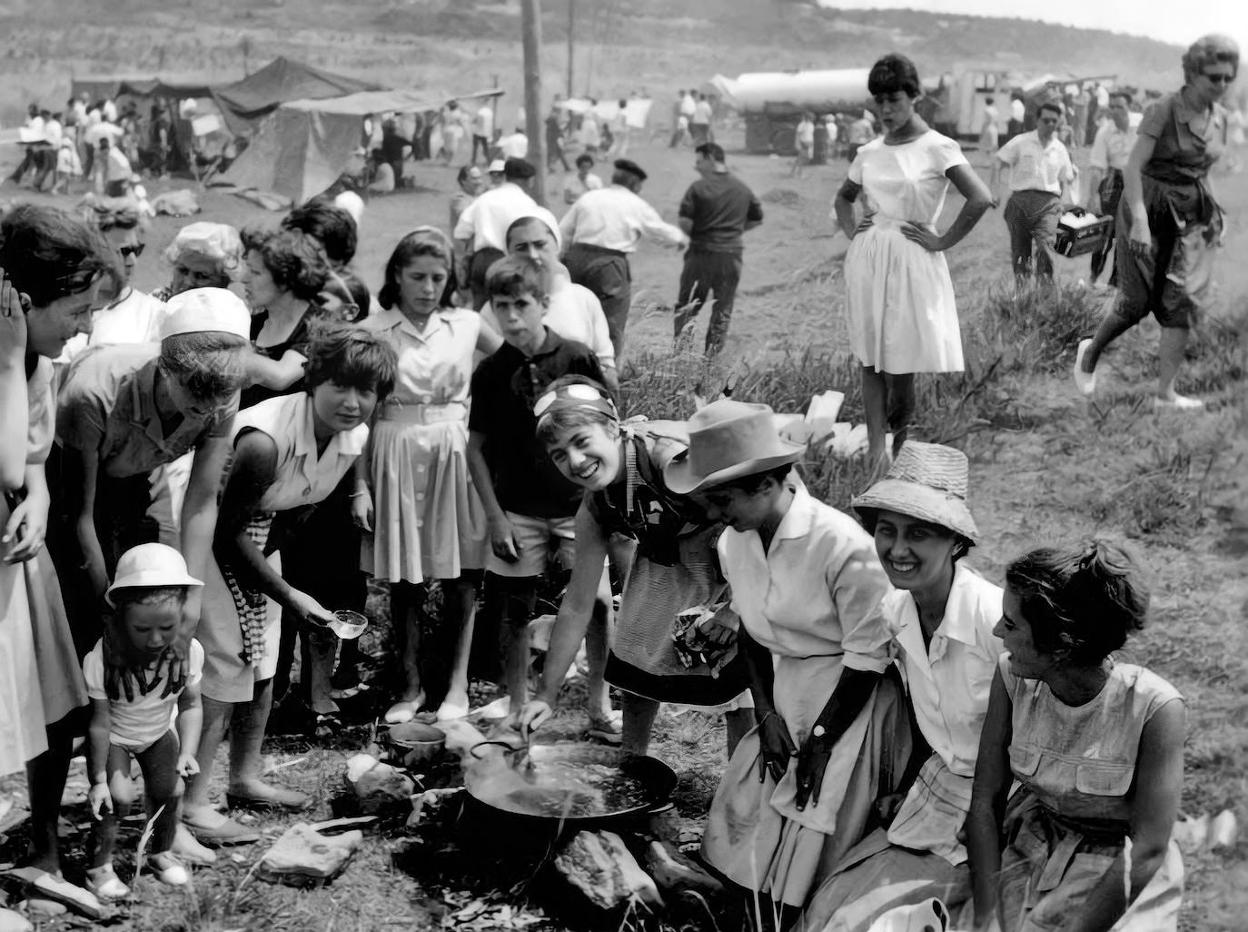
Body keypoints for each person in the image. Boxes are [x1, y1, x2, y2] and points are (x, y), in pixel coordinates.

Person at [681, 400, 904, 920]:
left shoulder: (842, 545)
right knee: (748, 818)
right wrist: (767, 715)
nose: (716, 514)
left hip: (850, 701)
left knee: (817, 816)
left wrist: (821, 743)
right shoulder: (734, 544)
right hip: (784, 691)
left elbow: (867, 659)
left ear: (766, 483)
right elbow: (754, 636)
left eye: (723, 498)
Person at [183, 328, 396, 843]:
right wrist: (288, 592)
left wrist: (278, 584)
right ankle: (191, 805)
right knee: (227, 661)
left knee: (266, 657)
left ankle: (246, 778)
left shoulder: (353, 438)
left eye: (366, 392)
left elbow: (301, 507)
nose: (352, 403)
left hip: (259, 535)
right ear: (314, 381)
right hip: (206, 535)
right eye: (340, 387)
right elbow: (224, 531)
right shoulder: (263, 440)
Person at [799, 443, 1003, 929]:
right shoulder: (895, 610)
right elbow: (895, 690)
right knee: (831, 903)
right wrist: (823, 742)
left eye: (918, 535)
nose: (897, 549)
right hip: (937, 792)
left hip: (999, 804)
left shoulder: (993, 621)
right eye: (886, 531)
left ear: (954, 541)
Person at [517, 381, 755, 755]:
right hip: (665, 554)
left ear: (613, 428)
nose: (575, 461)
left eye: (582, 441)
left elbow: (756, 515)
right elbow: (578, 603)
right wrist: (547, 695)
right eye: (560, 454)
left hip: (735, 549)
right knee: (634, 647)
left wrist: (736, 609)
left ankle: (744, 784)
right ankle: (633, 767)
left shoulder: (669, 457)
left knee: (737, 678)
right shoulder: (597, 505)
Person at [965, 541, 1186, 931]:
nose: (998, 631)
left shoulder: (1155, 708)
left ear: (1060, 646)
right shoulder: (1011, 678)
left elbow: (1149, 848)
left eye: (1012, 625)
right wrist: (986, 915)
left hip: (1118, 870)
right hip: (1034, 843)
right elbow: (985, 802)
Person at [0, 206, 113, 887]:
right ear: (21, 302)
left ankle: (42, 850)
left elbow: (31, 467)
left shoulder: (35, 363)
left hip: (17, 553)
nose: (86, 327)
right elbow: (8, 464)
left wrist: (39, 500)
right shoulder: (15, 359)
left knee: (51, 704)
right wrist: (11, 358)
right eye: (76, 309)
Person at [55, 288, 250, 662]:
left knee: (158, 602)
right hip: (71, 487)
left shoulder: (223, 387)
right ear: (165, 368)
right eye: (195, 392)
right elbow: (78, 518)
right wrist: (108, 617)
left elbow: (200, 500)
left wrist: (190, 598)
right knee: (86, 622)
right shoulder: (95, 392)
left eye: (220, 396)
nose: (206, 409)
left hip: (139, 482)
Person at [356, 228, 501, 723]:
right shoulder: (375, 329)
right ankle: (410, 683)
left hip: (454, 450)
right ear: (396, 275)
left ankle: (457, 686)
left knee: (462, 576)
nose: (427, 287)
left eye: (438, 277)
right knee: (405, 580)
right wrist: (359, 484)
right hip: (394, 448)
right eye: (417, 276)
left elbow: (514, 364)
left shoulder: (464, 323)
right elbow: (360, 415)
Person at [467, 258, 613, 726]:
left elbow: (607, 424)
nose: (511, 317)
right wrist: (495, 517)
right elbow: (475, 450)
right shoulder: (490, 372)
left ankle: (599, 703)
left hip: (579, 507)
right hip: (518, 511)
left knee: (595, 604)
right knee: (513, 608)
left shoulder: (574, 356)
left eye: (522, 305)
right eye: (501, 306)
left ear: (543, 304)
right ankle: (515, 704)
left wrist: (604, 498)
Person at [833, 54, 993, 469]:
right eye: (879, 101)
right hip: (869, 257)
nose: (885, 110)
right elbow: (843, 198)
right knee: (870, 357)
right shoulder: (868, 151)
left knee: (901, 360)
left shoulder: (938, 146)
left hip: (911, 257)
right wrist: (855, 234)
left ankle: (901, 445)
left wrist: (941, 241)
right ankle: (874, 451)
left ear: (914, 97)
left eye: (894, 99)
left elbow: (981, 198)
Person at [1075, 35, 1237, 412]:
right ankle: (1090, 351)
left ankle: (1165, 394)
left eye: (1228, 77)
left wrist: (1214, 213)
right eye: (1214, 77)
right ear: (1193, 72)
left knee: (1180, 303)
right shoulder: (1163, 109)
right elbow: (1133, 167)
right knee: (1135, 303)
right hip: (1145, 206)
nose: (1222, 85)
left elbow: (1202, 171)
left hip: (1185, 213)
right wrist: (1140, 221)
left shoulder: (1221, 118)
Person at [84, 544, 205, 899]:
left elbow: (192, 705)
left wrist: (188, 752)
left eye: (167, 627)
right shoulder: (102, 658)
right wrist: (97, 780)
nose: (155, 639)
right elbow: (99, 723)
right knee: (117, 798)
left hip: (157, 734)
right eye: (142, 628)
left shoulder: (189, 653)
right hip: (117, 737)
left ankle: (159, 852)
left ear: (182, 613)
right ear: (121, 616)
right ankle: (98, 867)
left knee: (171, 791)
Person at [561, 158, 688, 356]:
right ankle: (607, 373)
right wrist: (680, 239)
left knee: (573, 315)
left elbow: (564, 232)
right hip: (609, 265)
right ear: (635, 184)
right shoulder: (635, 204)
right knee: (612, 322)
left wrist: (562, 262)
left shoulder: (589, 197)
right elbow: (658, 230)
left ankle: (570, 364)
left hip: (575, 259)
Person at [482, 213, 618, 391]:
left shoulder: (583, 299)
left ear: (557, 246)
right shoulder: (495, 309)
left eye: (540, 245)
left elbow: (607, 369)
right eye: (521, 247)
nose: (533, 255)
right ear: (508, 254)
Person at [674, 143, 764, 355]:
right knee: (722, 310)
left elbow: (684, 222)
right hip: (731, 255)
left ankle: (680, 359)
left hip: (701, 254)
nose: (696, 167)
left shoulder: (698, 187)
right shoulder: (742, 188)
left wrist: (703, 233)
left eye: (698, 161)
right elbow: (756, 220)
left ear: (710, 158)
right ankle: (710, 364)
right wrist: (731, 232)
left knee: (688, 307)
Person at [58, 205, 168, 366]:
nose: (132, 261)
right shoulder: (49, 306)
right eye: (123, 251)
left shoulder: (154, 315)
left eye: (136, 250)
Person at [239, 227, 332, 409]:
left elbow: (281, 376)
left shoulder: (321, 325)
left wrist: (219, 352)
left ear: (286, 280)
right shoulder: (253, 323)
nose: (243, 278)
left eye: (255, 272)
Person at [991, 101, 1076, 284]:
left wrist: (1066, 202)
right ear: (1037, 120)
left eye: (1054, 121)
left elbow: (1066, 178)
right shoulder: (1021, 142)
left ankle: (1044, 298)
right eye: (1046, 120)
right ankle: (1023, 298)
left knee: (1046, 249)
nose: (1050, 125)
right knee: (1020, 253)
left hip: (1048, 204)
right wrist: (995, 190)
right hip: (1019, 203)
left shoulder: (1059, 148)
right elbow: (998, 162)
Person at [453, 156, 539, 309]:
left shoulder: (484, 198)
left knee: (480, 312)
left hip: (481, 261)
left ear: (505, 176)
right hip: (509, 263)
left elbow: (461, 233)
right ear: (529, 181)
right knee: (506, 312)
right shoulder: (527, 203)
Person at [1085, 91, 1138, 285]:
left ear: (1129, 107)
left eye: (1120, 107)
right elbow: (1097, 167)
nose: (1115, 111)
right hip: (1115, 181)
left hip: (1139, 182)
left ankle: (1116, 282)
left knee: (1126, 235)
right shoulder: (1104, 132)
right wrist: (1094, 196)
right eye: (1112, 107)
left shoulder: (1142, 126)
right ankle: (1093, 276)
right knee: (1104, 232)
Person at [152, 221, 245, 301]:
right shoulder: (155, 304)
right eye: (182, 271)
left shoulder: (233, 317)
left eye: (202, 276)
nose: (188, 282)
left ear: (224, 282)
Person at [380, 118, 412, 189]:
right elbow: (412, 144)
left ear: (386, 129)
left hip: (392, 164)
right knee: (394, 179)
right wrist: (409, 155)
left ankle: (403, 182)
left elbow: (383, 153)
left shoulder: (386, 140)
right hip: (399, 164)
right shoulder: (398, 138)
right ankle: (404, 181)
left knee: (391, 180)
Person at [546, 103, 570, 172]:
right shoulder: (554, 117)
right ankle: (551, 168)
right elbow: (558, 128)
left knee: (557, 152)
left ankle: (566, 167)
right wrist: (565, 126)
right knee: (555, 153)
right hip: (555, 138)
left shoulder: (551, 116)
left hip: (552, 137)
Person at [792, 112, 816, 177]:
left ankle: (793, 172)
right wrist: (797, 143)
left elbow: (810, 134)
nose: (811, 119)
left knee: (802, 159)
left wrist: (812, 143)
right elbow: (798, 135)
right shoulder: (802, 125)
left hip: (809, 143)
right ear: (806, 118)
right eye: (810, 118)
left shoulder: (811, 125)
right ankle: (799, 173)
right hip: (803, 143)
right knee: (801, 159)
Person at [472, 100, 495, 165]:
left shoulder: (480, 111)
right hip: (485, 133)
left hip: (478, 132)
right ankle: (489, 161)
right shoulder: (490, 112)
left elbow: (475, 121)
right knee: (485, 148)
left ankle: (473, 161)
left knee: (475, 148)